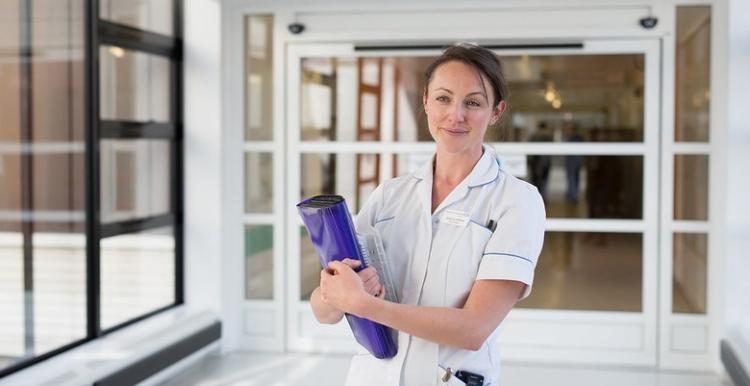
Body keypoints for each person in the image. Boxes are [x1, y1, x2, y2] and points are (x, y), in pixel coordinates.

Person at [309, 43, 546, 386]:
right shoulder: (390, 195)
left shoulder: (516, 201)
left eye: (474, 102)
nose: (456, 115)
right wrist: (336, 294)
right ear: (425, 100)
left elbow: (473, 329)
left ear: (496, 111)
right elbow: (323, 309)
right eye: (443, 98)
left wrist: (363, 304)